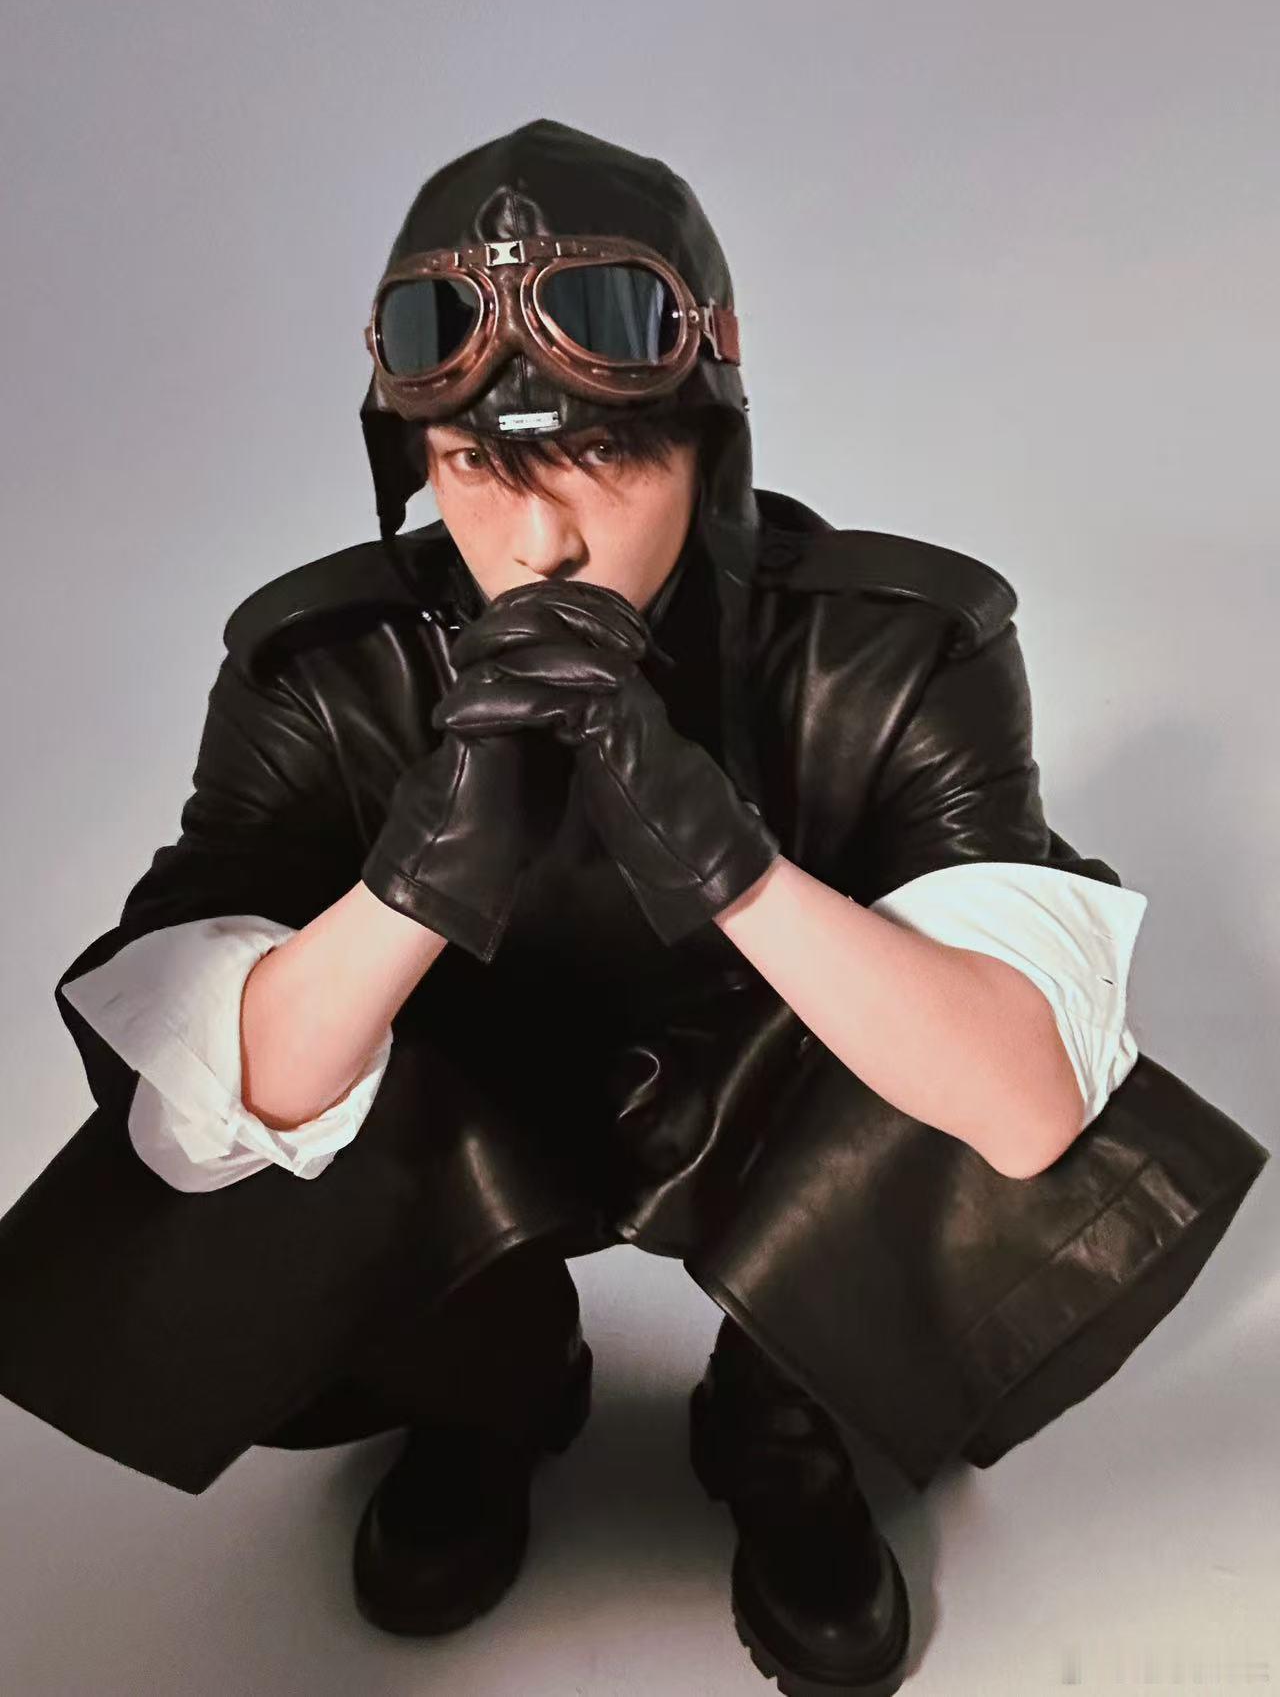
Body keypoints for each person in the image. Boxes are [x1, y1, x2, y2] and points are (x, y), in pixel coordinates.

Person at [0, 118, 1268, 1697]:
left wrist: (730, 862)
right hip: (473, 1131)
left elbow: (1025, 1107)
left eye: (606, 458)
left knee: (1001, 1032)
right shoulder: (320, 671)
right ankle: (490, 1387)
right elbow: (195, 1119)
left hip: (771, 1115)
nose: (539, 539)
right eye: (476, 466)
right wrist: (414, 881)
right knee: (245, 1081)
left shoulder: (901, 645)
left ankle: (782, 1416)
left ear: (707, 445)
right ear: (417, 461)